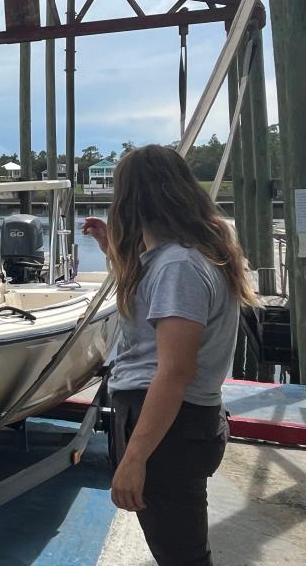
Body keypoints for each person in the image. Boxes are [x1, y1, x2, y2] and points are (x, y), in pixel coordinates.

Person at [82, 145, 254, 566]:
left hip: (166, 429)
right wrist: (111, 248)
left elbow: (173, 371)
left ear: (132, 200)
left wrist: (136, 457)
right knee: (178, 547)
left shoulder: (178, 265)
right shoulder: (184, 256)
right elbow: (147, 306)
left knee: (182, 555)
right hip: (177, 424)